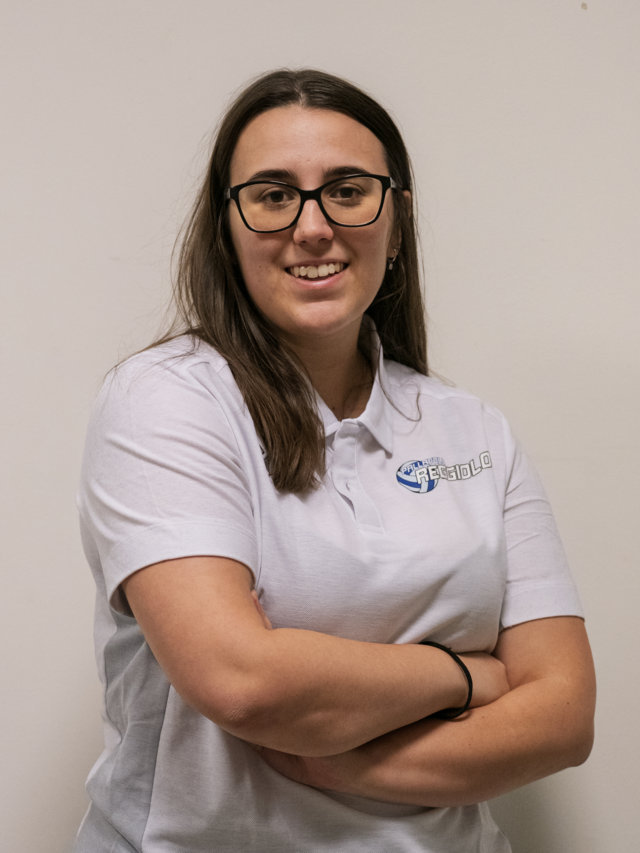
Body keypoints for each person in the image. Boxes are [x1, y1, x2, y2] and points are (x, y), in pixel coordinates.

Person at [74, 68, 595, 852]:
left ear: (397, 219)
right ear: (227, 226)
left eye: (347, 191)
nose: (312, 226)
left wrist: (341, 763)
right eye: (273, 195)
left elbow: (564, 716)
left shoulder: (473, 430)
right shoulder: (165, 401)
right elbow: (243, 681)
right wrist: (465, 676)